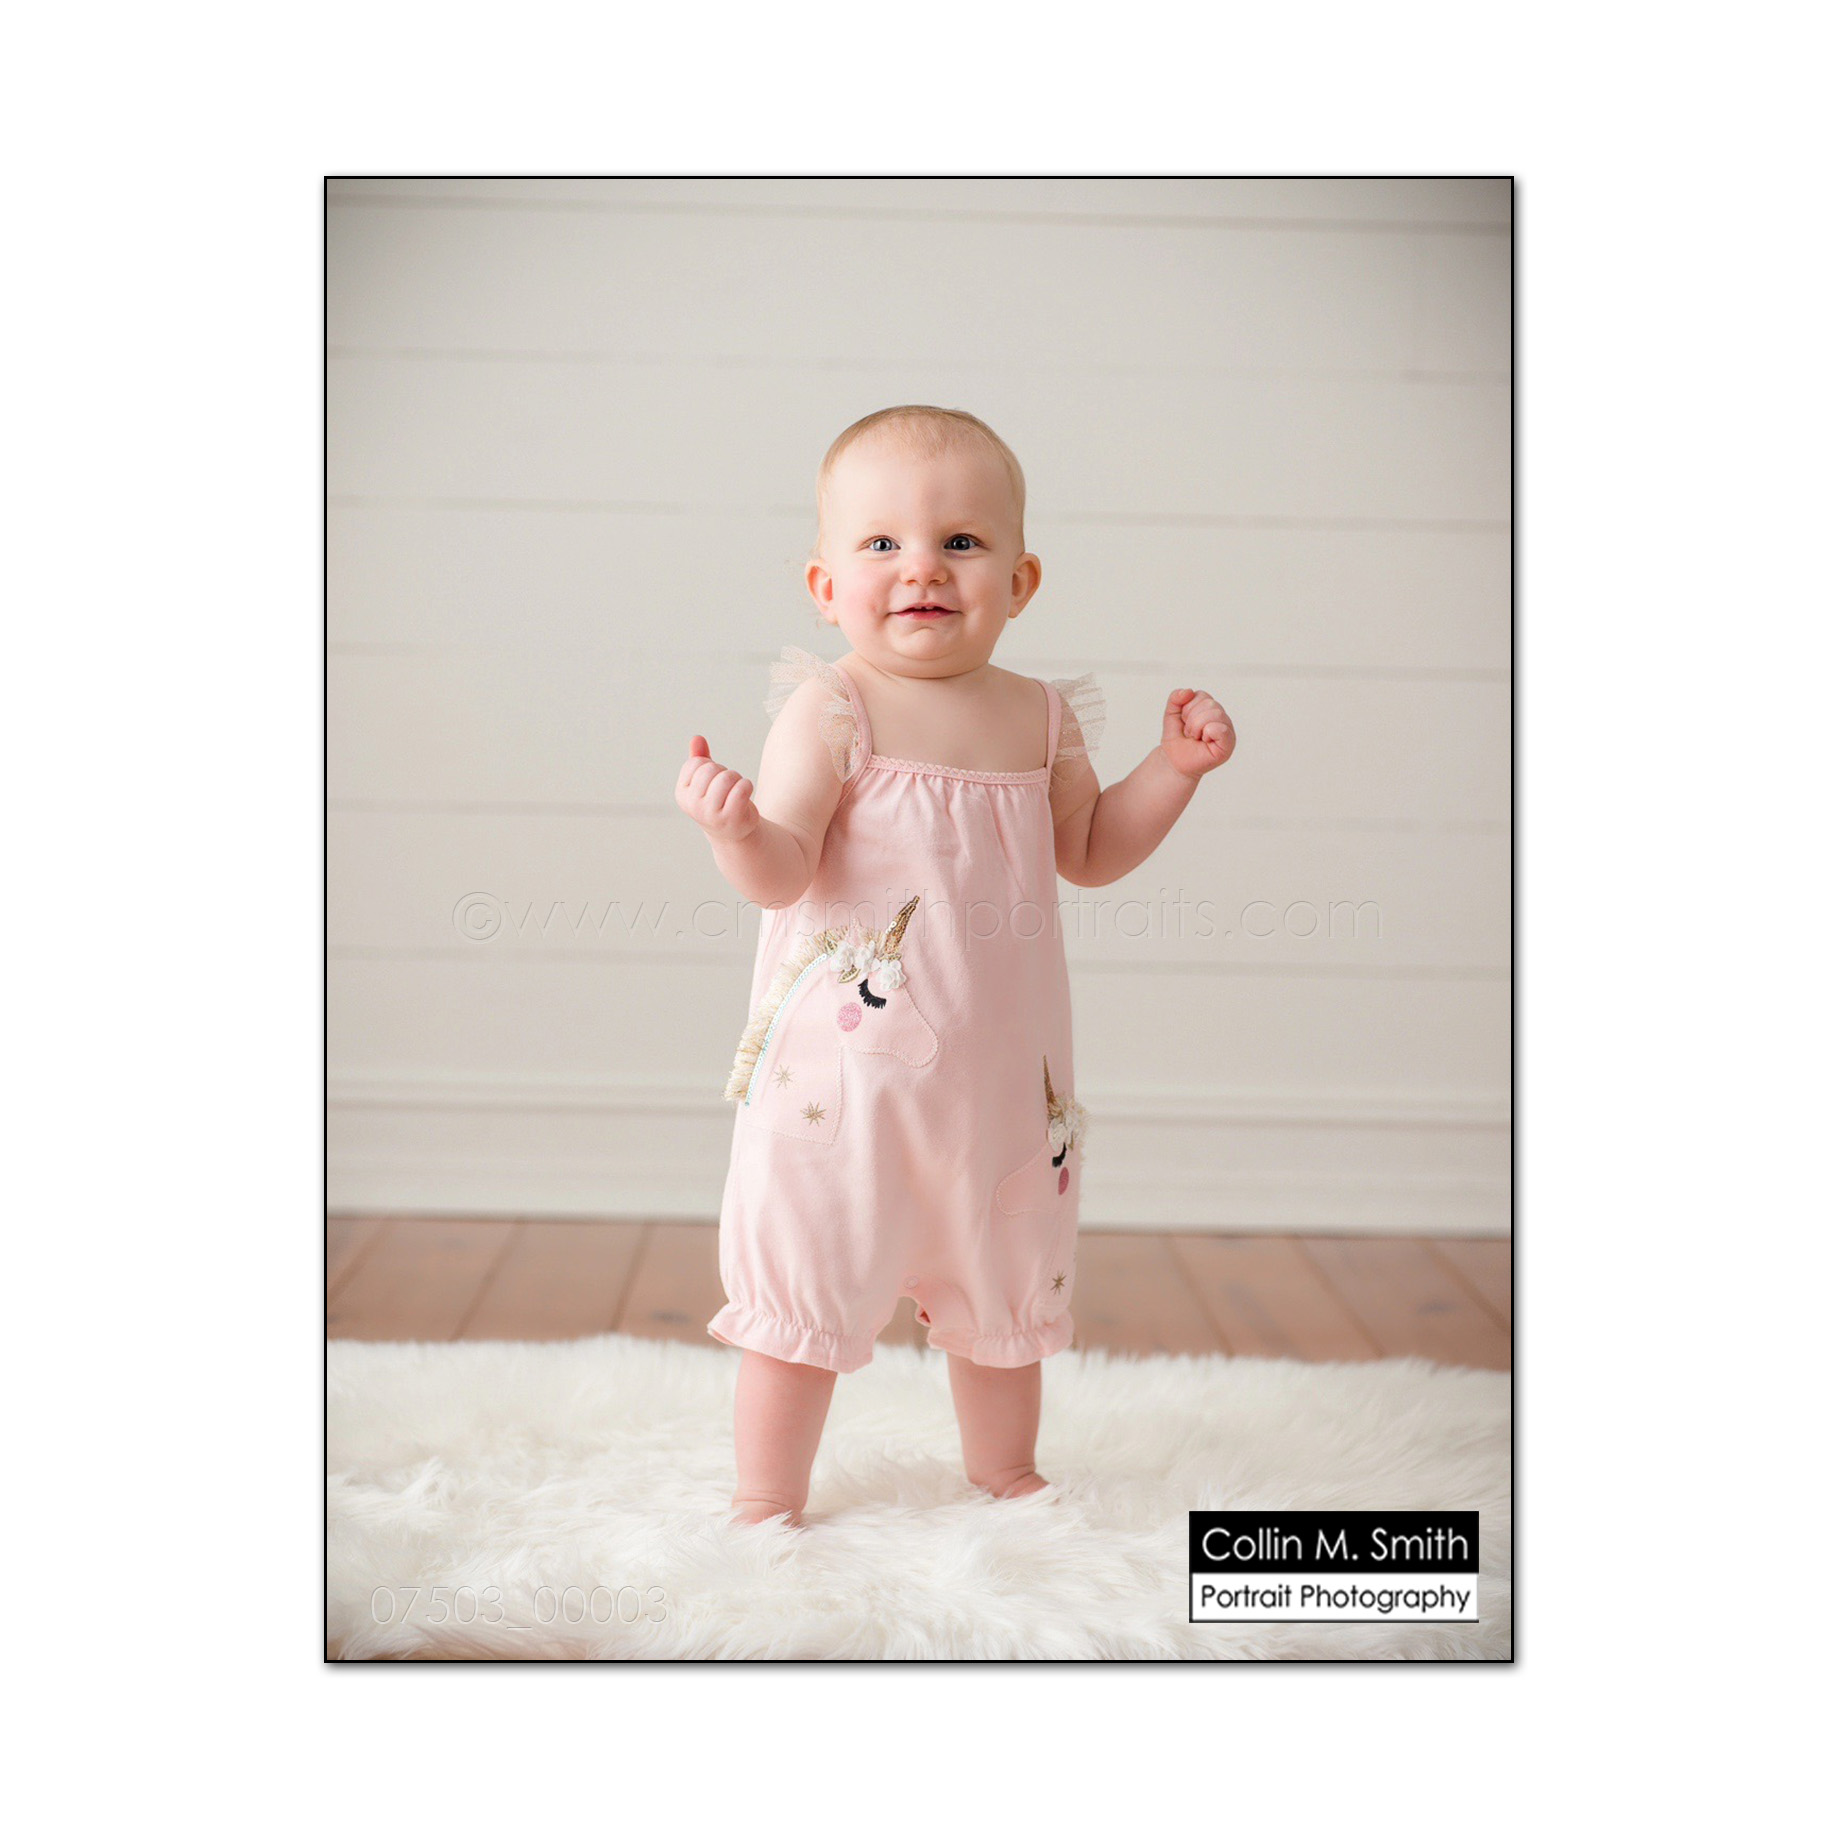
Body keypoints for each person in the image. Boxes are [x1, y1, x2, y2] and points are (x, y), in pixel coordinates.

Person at [676, 405, 1235, 1525]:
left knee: (1001, 1273)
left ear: (1019, 581)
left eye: (961, 542)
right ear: (825, 585)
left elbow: (1089, 850)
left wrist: (1170, 772)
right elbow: (784, 872)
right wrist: (736, 831)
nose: (922, 567)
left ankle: (1006, 1470)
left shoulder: (1036, 717)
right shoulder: (831, 708)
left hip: (995, 1086)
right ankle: (765, 1492)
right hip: (844, 1090)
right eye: (881, 542)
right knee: (810, 1274)